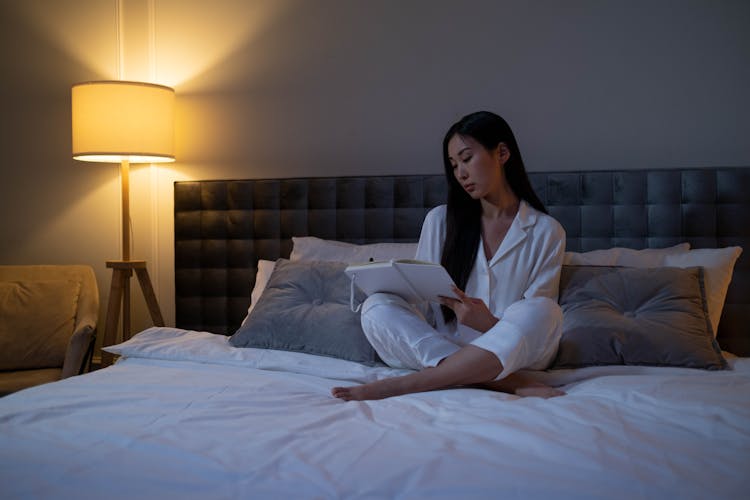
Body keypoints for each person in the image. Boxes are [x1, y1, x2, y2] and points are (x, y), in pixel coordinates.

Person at [332, 111, 566, 401]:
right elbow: (424, 305)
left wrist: (488, 323)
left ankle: (406, 385)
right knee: (376, 306)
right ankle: (498, 381)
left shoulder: (546, 230)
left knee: (544, 310)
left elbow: (532, 328)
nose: (460, 174)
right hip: (447, 344)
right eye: (454, 165)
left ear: (502, 153)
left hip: (514, 354)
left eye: (467, 159)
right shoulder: (440, 221)